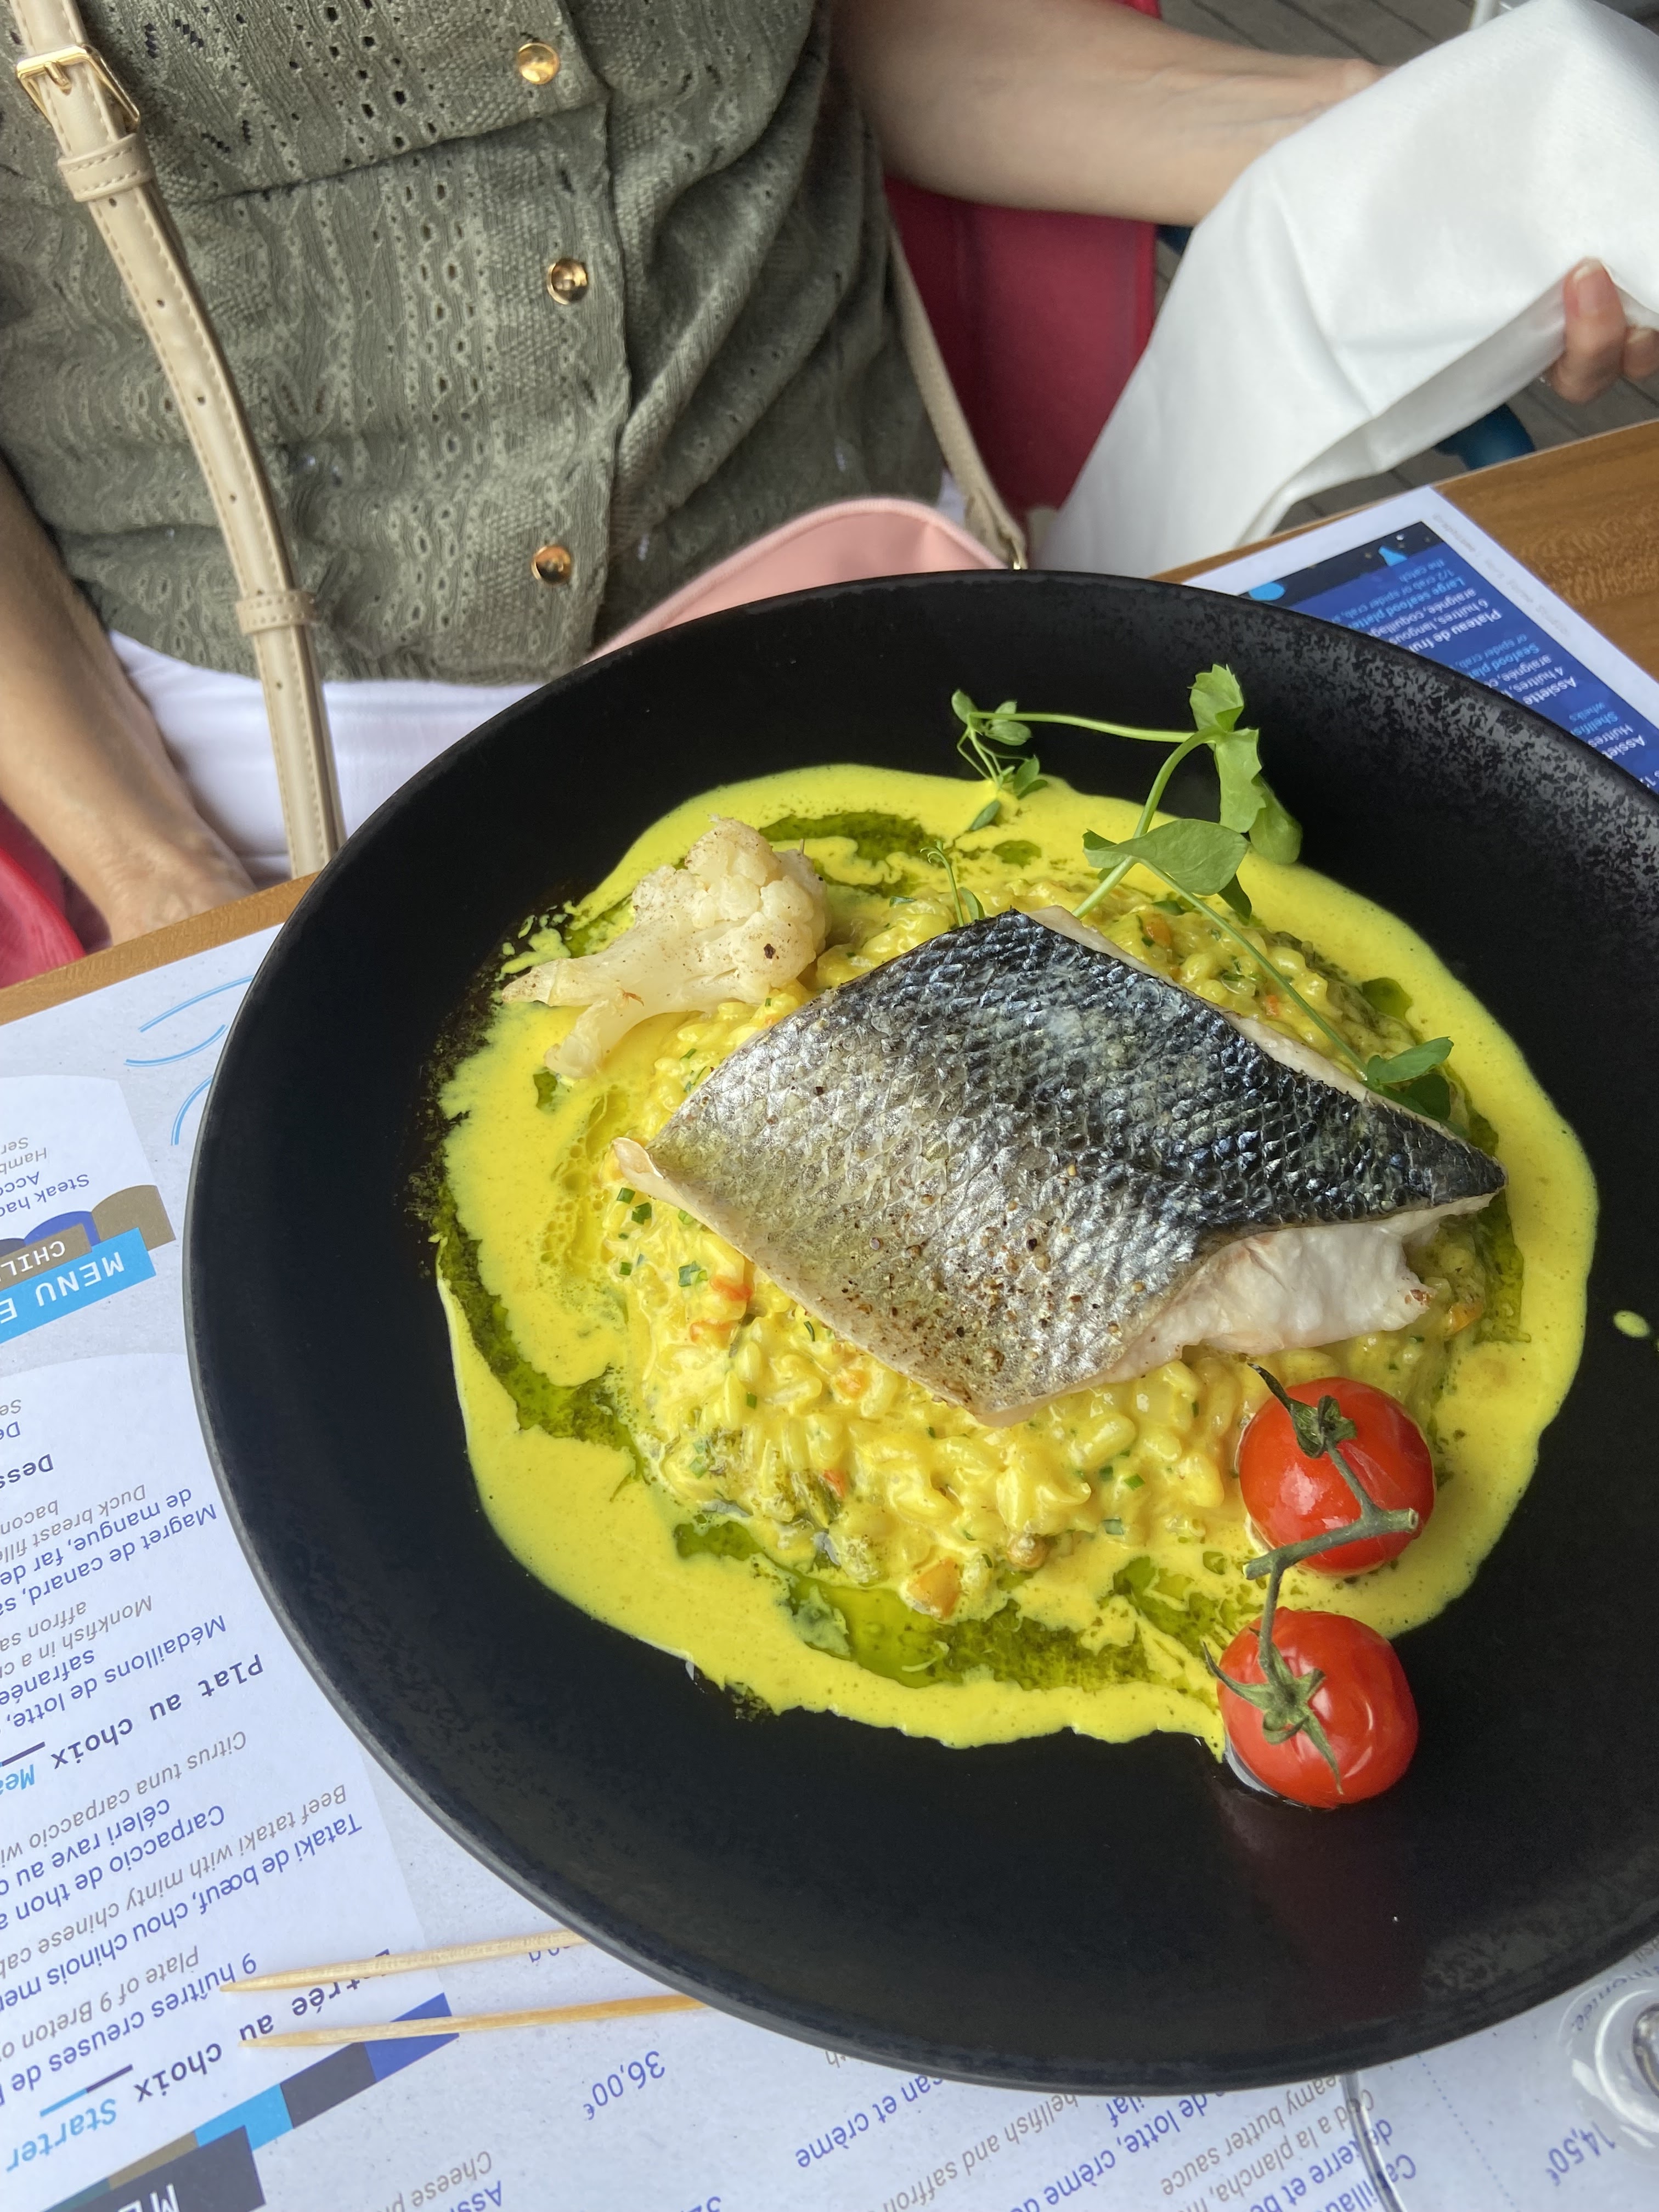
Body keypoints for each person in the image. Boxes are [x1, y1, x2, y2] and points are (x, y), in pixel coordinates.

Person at [1, 0, 1651, 945]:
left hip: (882, 601)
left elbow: (861, 27)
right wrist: (167, 893)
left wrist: (1430, 153)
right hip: (304, 760)